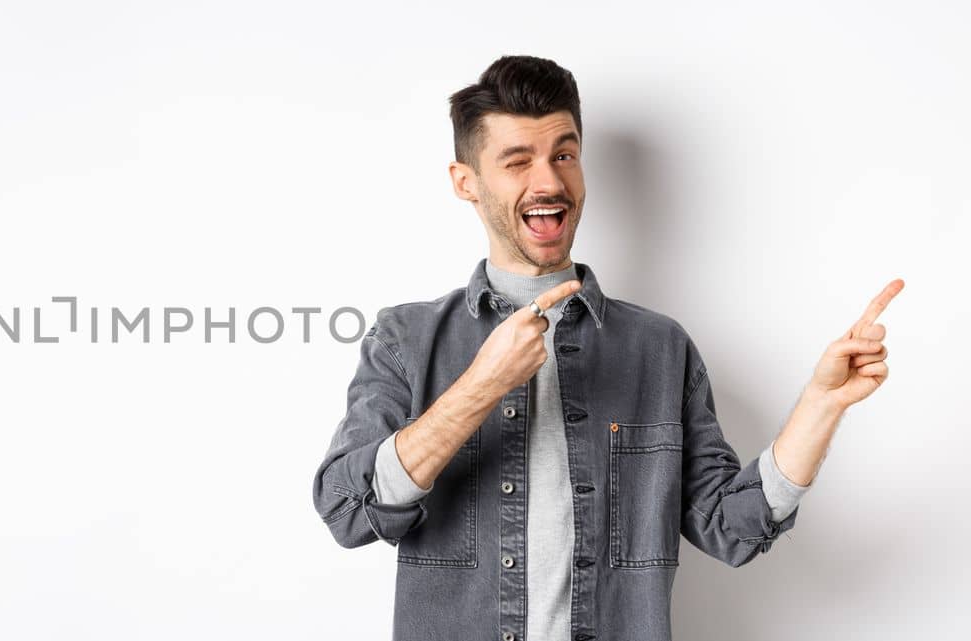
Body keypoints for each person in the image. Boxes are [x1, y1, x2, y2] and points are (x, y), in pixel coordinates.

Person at [309, 55, 902, 641]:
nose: (549, 182)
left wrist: (822, 405)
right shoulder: (405, 341)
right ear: (466, 182)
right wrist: (479, 386)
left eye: (563, 155)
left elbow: (732, 528)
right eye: (517, 161)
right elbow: (346, 511)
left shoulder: (659, 349)